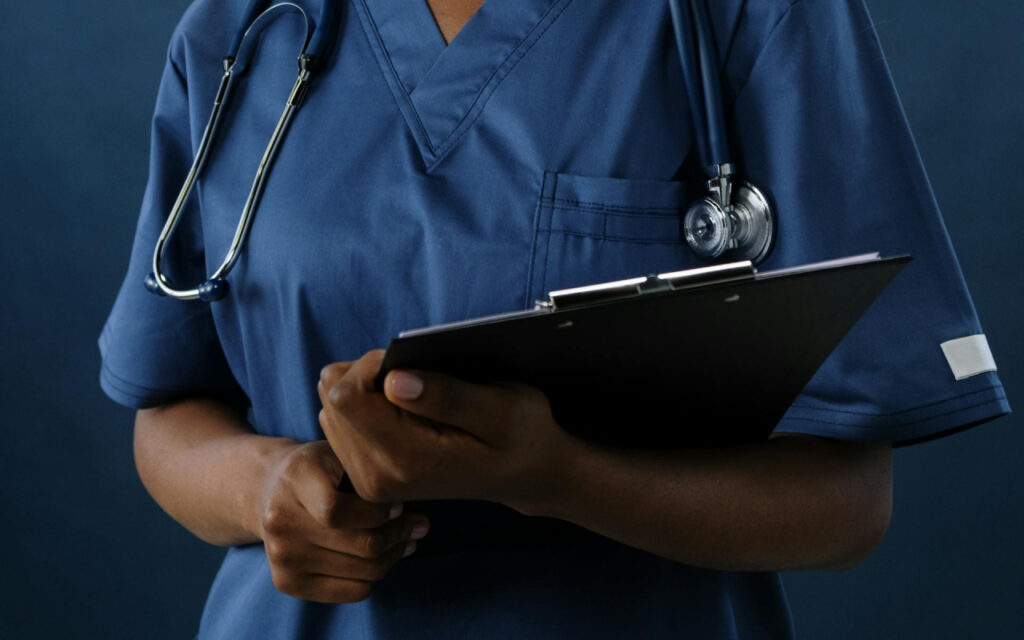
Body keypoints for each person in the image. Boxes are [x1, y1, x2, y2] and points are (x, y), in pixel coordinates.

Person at [99, 0, 1010, 637]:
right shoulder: (243, 28)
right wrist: (267, 488)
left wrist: (558, 476)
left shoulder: (745, 13)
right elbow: (169, 414)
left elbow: (848, 505)